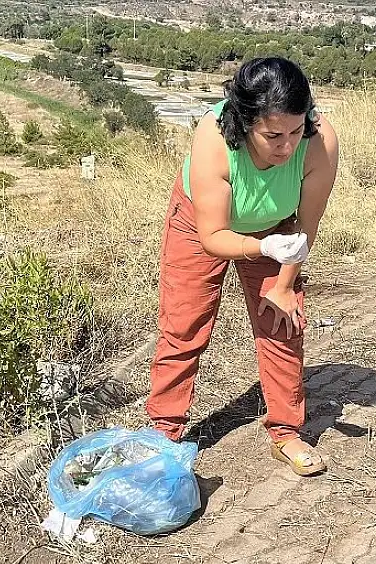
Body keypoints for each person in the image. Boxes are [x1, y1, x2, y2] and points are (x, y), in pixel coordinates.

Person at [146, 57, 339, 477]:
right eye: (273, 135)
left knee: (283, 322)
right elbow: (213, 237)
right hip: (202, 222)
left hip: (280, 224)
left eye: (295, 131)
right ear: (245, 122)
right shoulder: (213, 140)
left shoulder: (320, 140)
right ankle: (164, 432)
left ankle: (287, 432)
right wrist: (264, 246)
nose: (287, 146)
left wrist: (284, 282)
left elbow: (308, 224)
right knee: (184, 322)